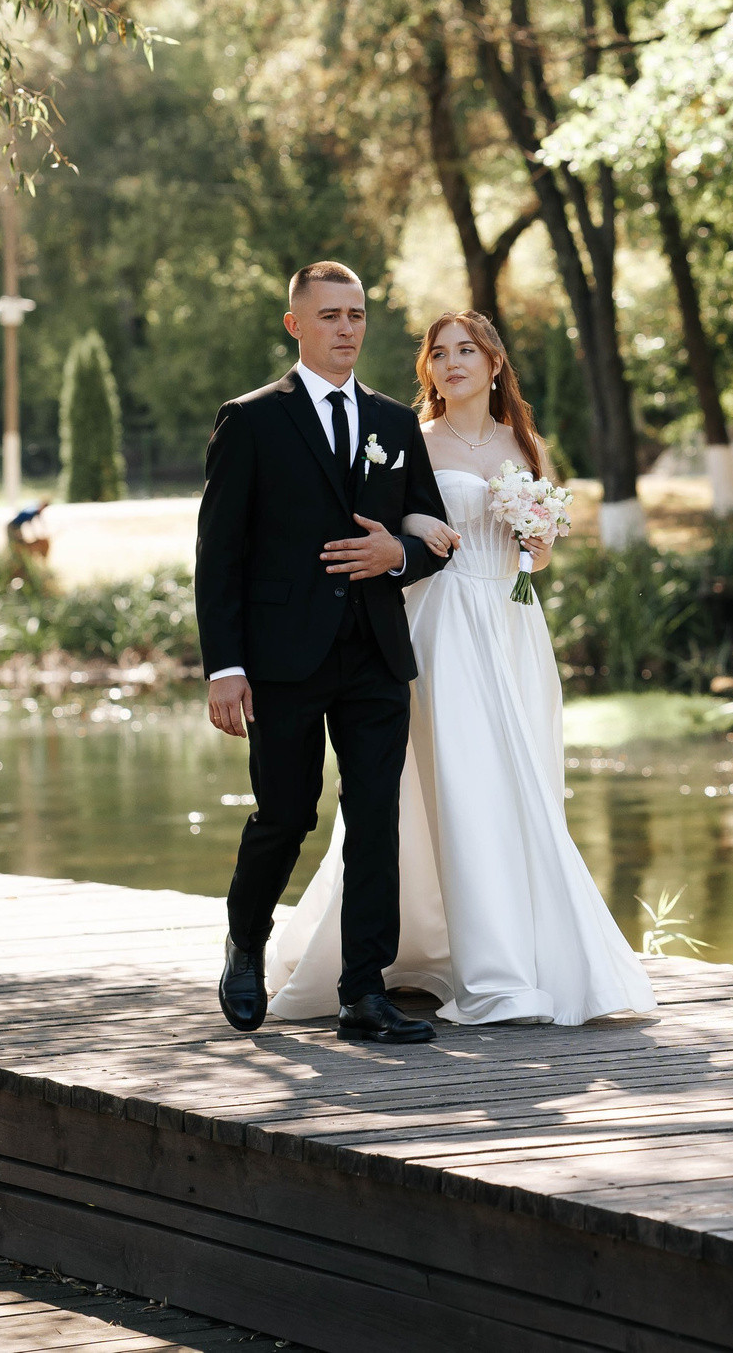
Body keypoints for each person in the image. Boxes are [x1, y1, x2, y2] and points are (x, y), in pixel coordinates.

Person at [264, 310, 657, 1027]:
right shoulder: (412, 437)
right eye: (439, 353)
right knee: (450, 783)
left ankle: (517, 951)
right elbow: (381, 521)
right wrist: (417, 525)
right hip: (442, 621)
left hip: (512, 623)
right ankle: (460, 962)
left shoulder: (523, 443)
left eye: (466, 350)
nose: (451, 363)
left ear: (494, 363)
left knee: (517, 782)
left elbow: (540, 555)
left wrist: (538, 537)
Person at [196, 262, 449, 1045]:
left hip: (376, 653)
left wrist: (399, 556)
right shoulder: (250, 420)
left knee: (375, 817)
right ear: (295, 324)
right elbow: (218, 553)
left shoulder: (393, 424)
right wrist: (225, 666)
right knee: (286, 811)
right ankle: (246, 940)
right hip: (282, 656)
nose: (347, 327)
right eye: (331, 314)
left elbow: (432, 532)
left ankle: (363, 991)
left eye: (357, 314)